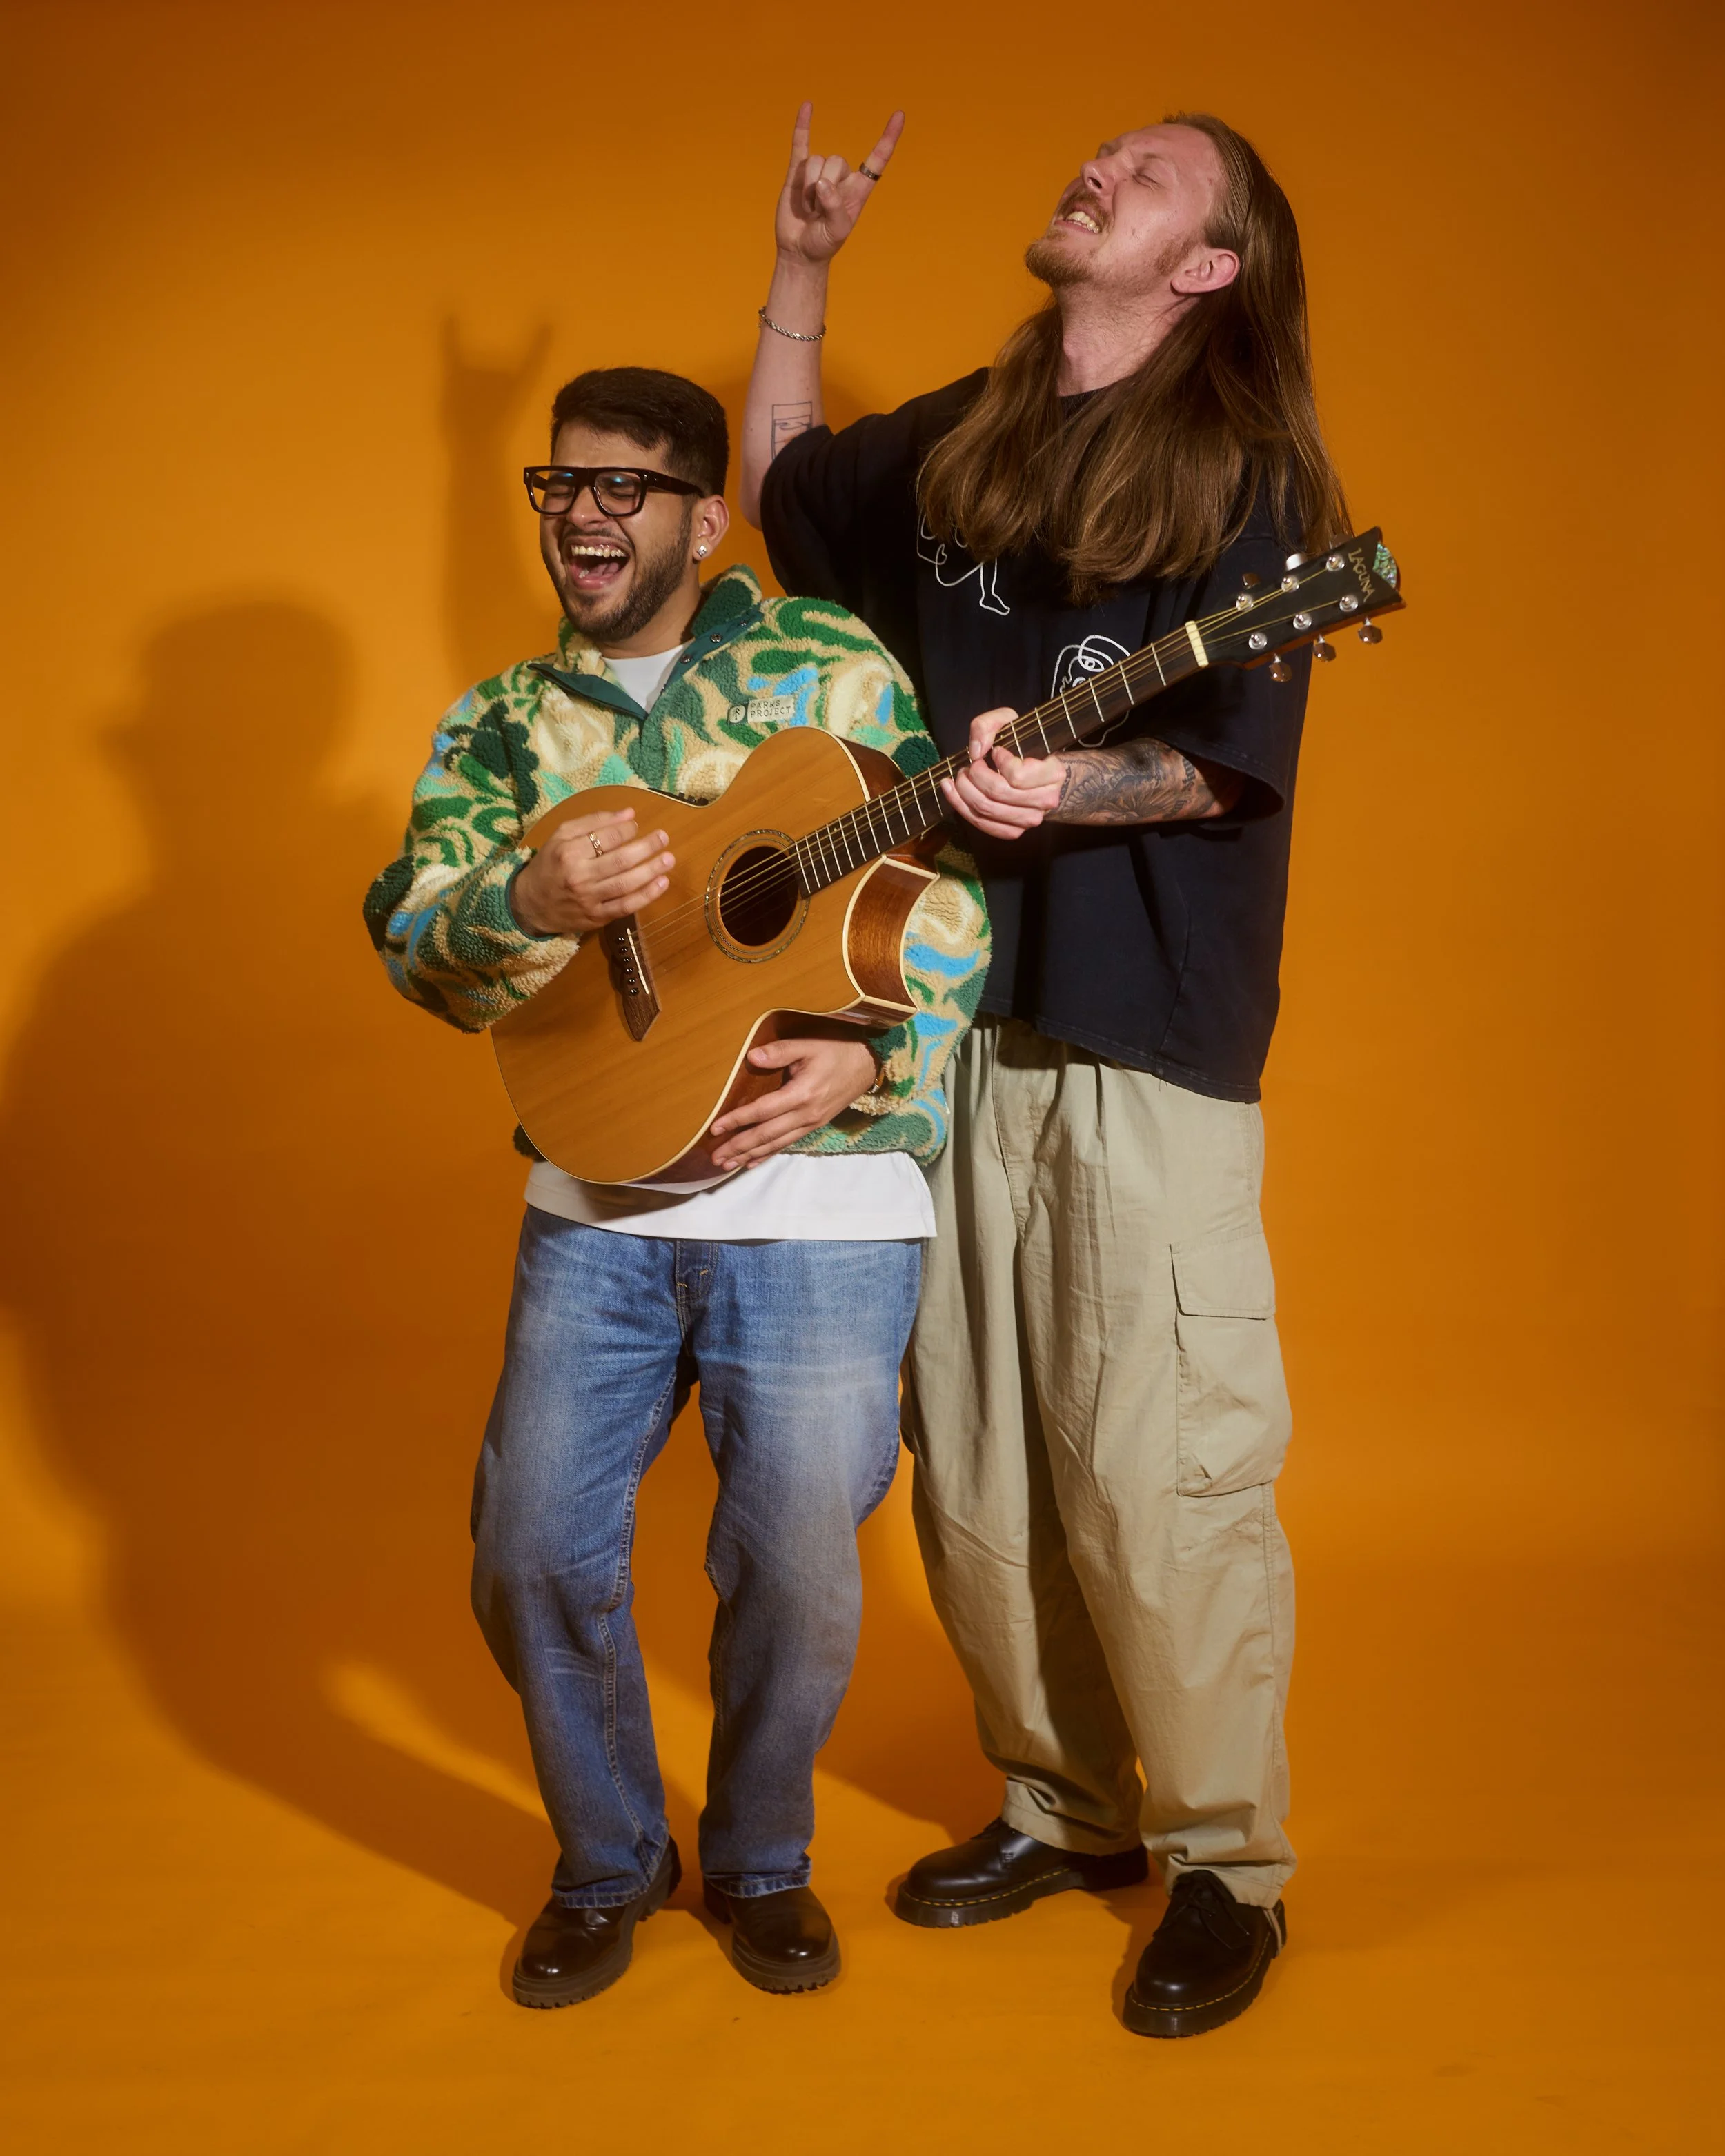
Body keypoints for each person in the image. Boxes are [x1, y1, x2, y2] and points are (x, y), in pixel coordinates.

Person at [744, 106, 1350, 2037]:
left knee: (1156, 1460)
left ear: (1205, 265)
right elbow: (780, 490)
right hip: (937, 1021)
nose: (1097, 167)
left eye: (1146, 171)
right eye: (1101, 151)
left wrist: (1063, 779)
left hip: (1141, 1022)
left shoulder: (1245, 472)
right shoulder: (972, 435)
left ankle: (1225, 1862)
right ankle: (1061, 1800)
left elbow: (1223, 760)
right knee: (979, 1458)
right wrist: (802, 270)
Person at [364, 366, 986, 2006]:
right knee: (529, 1549)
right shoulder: (504, 722)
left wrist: (873, 1055)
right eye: (560, 483)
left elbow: (947, 887)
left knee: (795, 1565)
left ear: (705, 518)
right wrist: (524, 896)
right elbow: (417, 946)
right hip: (594, 1206)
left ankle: (762, 1854)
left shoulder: (827, 661)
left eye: (622, 486)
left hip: (823, 1205)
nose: (582, 512)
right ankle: (608, 1858)